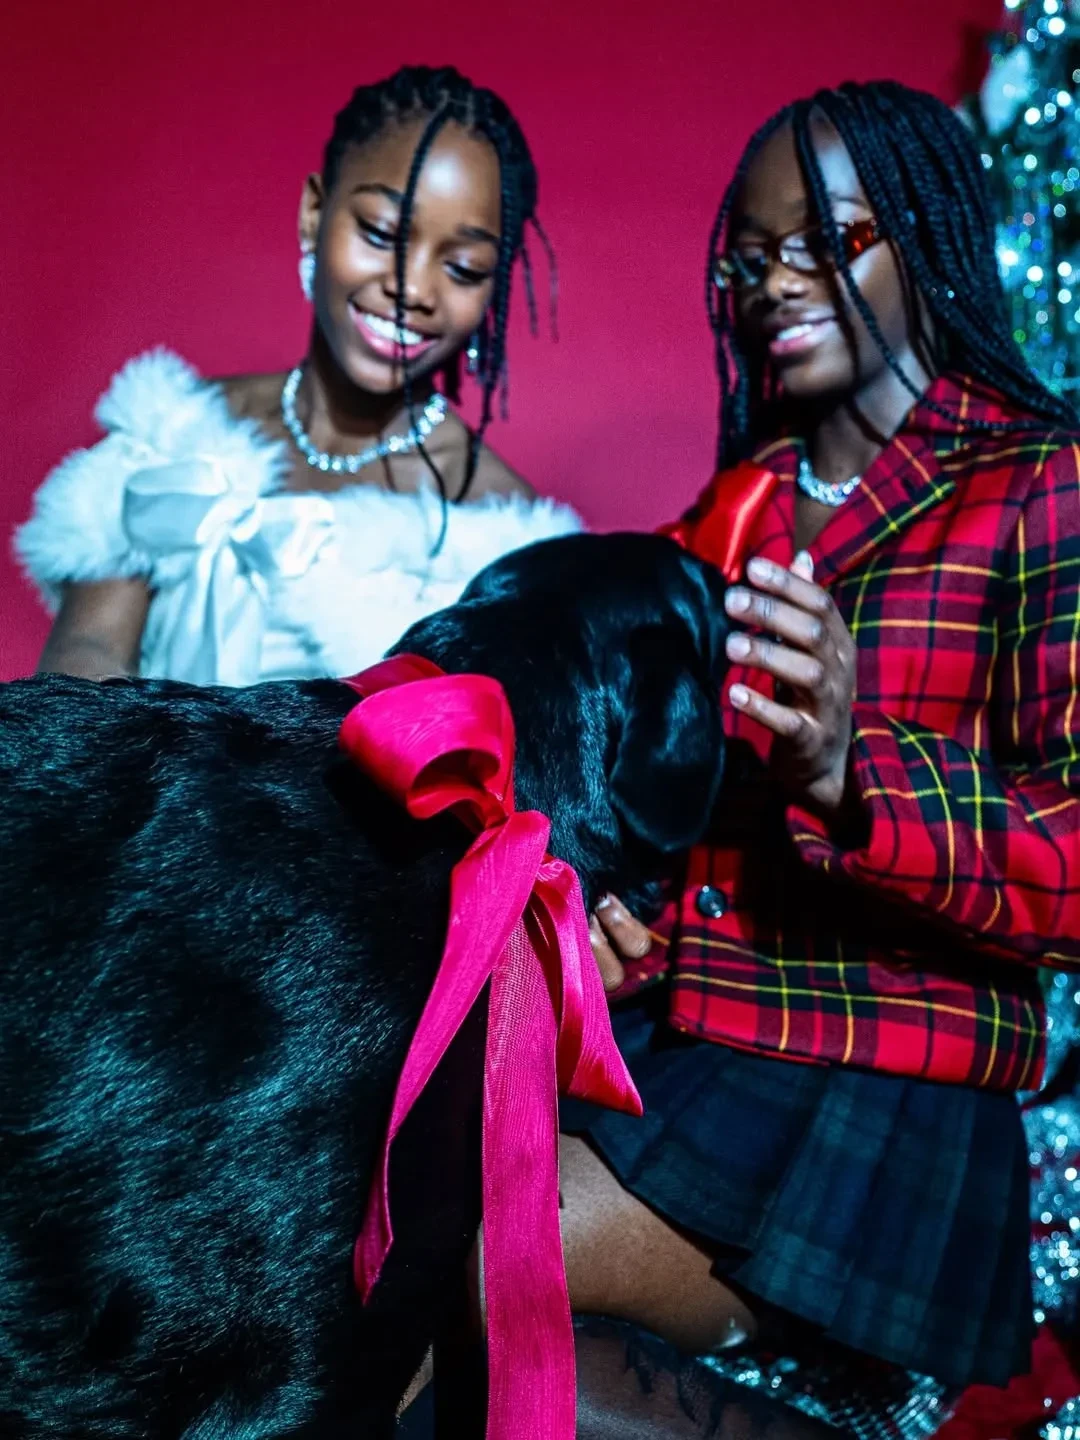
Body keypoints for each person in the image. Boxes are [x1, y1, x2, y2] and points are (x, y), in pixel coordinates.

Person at [563, 78, 1080, 1434]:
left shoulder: (1041, 484)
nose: (774, 284)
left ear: (927, 234)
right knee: (464, 1320)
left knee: (473, 1256)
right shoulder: (730, 513)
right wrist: (625, 932)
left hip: (887, 1093)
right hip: (695, 1042)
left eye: (827, 241)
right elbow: (686, 831)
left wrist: (857, 772)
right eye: (749, 258)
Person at [15, 66, 577, 685]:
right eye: (381, 233)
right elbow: (83, 666)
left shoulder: (499, 534)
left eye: (464, 268)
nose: (413, 288)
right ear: (315, 213)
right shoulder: (174, 433)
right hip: (129, 756)